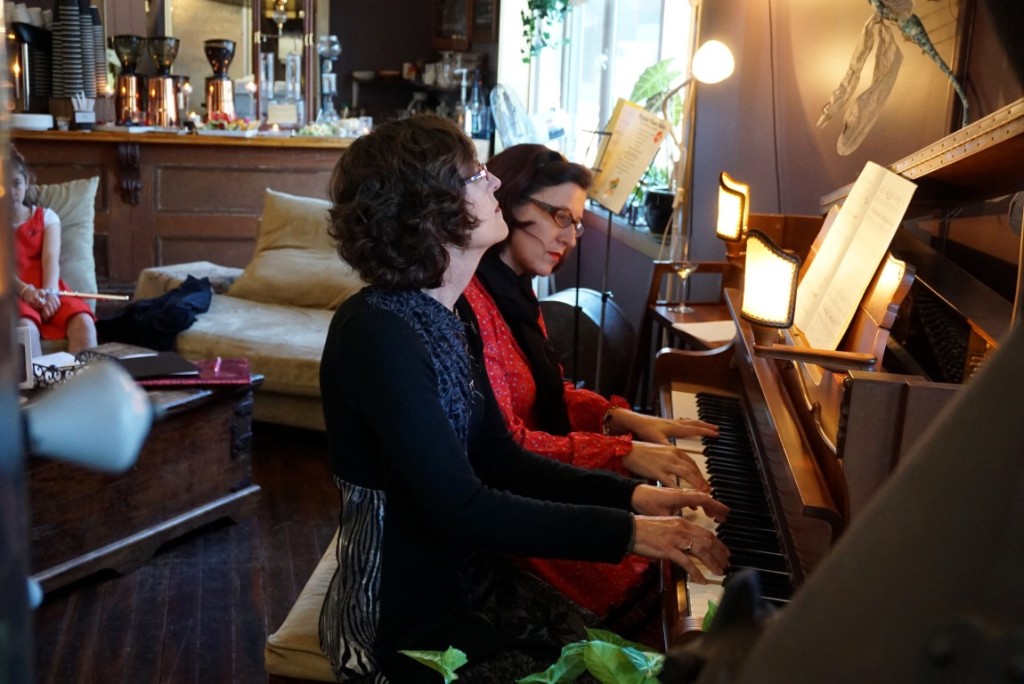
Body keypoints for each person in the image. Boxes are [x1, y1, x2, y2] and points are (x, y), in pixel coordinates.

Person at [319, 116, 730, 682]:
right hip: (405, 617)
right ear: (429, 209)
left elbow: (503, 460)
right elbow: (463, 509)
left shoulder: (449, 314)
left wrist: (635, 497)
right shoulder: (377, 333)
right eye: (475, 175)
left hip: (471, 581)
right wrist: (633, 532)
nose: (493, 183)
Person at [463, 144, 720, 621]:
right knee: (661, 578)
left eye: (576, 223)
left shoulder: (515, 290)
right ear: (510, 202)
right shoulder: (472, 302)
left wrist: (624, 420)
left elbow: (547, 390)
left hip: (536, 480)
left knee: (673, 541)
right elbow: (504, 449)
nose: (570, 237)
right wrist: (623, 451)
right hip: (510, 507)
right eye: (561, 216)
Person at [11, 145, 97, 355]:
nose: (11, 192)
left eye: (16, 183)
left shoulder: (47, 217)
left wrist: (50, 294)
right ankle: (38, 378)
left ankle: (84, 377)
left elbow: (50, 259)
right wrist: (25, 291)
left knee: (84, 322)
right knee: (25, 328)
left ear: (26, 182)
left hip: (50, 289)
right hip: (13, 291)